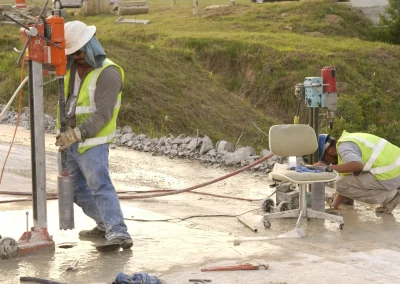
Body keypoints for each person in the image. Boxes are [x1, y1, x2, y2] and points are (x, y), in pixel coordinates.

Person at [55, 20, 132, 252]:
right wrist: (66, 133)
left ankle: (119, 232)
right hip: (71, 141)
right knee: (76, 191)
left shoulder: (108, 72)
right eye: (71, 53)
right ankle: (104, 224)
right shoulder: (72, 68)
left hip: (92, 142)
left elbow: (103, 113)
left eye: (78, 52)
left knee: (99, 185)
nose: (76, 57)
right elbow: (70, 103)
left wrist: (77, 133)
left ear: (90, 46)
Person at [318, 131, 400, 214]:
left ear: (329, 151)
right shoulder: (348, 141)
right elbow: (346, 181)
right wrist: (334, 206)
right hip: (395, 170)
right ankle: (347, 198)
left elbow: (357, 165)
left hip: (391, 174)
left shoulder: (343, 148)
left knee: (340, 184)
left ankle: (391, 197)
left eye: (325, 160)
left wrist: (328, 168)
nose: (328, 163)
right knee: (344, 182)